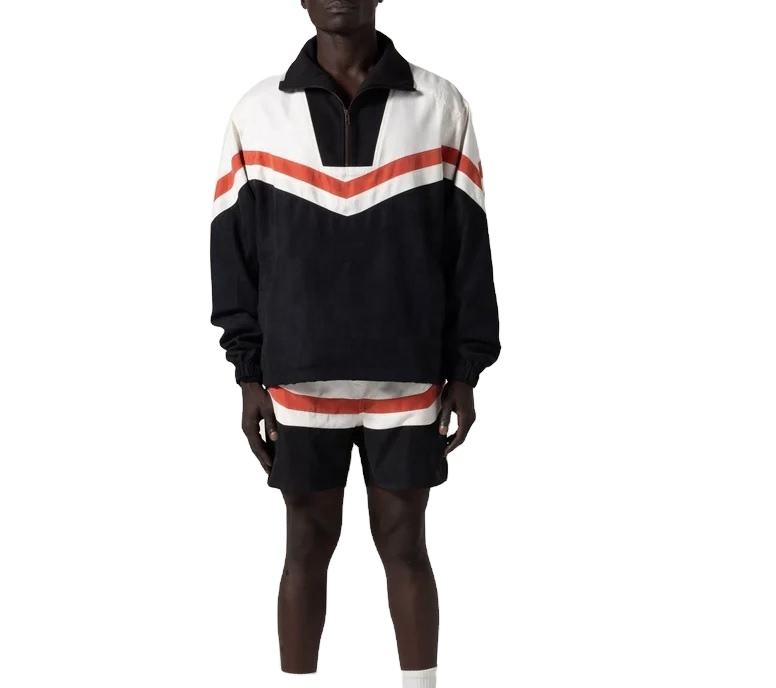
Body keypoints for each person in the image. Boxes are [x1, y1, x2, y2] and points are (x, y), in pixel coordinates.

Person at [209, 1, 500, 685]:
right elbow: (233, 255)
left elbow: (469, 249)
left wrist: (466, 370)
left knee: (406, 546)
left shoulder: (440, 105)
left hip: (409, 375)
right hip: (298, 377)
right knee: (304, 548)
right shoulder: (257, 113)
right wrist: (247, 375)